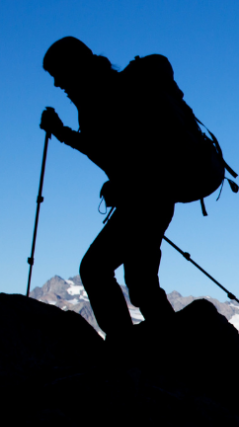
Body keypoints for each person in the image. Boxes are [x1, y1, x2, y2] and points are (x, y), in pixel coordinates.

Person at [40, 37, 176, 339]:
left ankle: (126, 348)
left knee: (96, 269)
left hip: (143, 199)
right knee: (141, 284)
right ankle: (172, 350)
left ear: (71, 67)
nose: (56, 83)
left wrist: (61, 132)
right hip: (153, 196)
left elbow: (111, 150)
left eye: (57, 74)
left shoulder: (99, 94)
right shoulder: (110, 87)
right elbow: (124, 150)